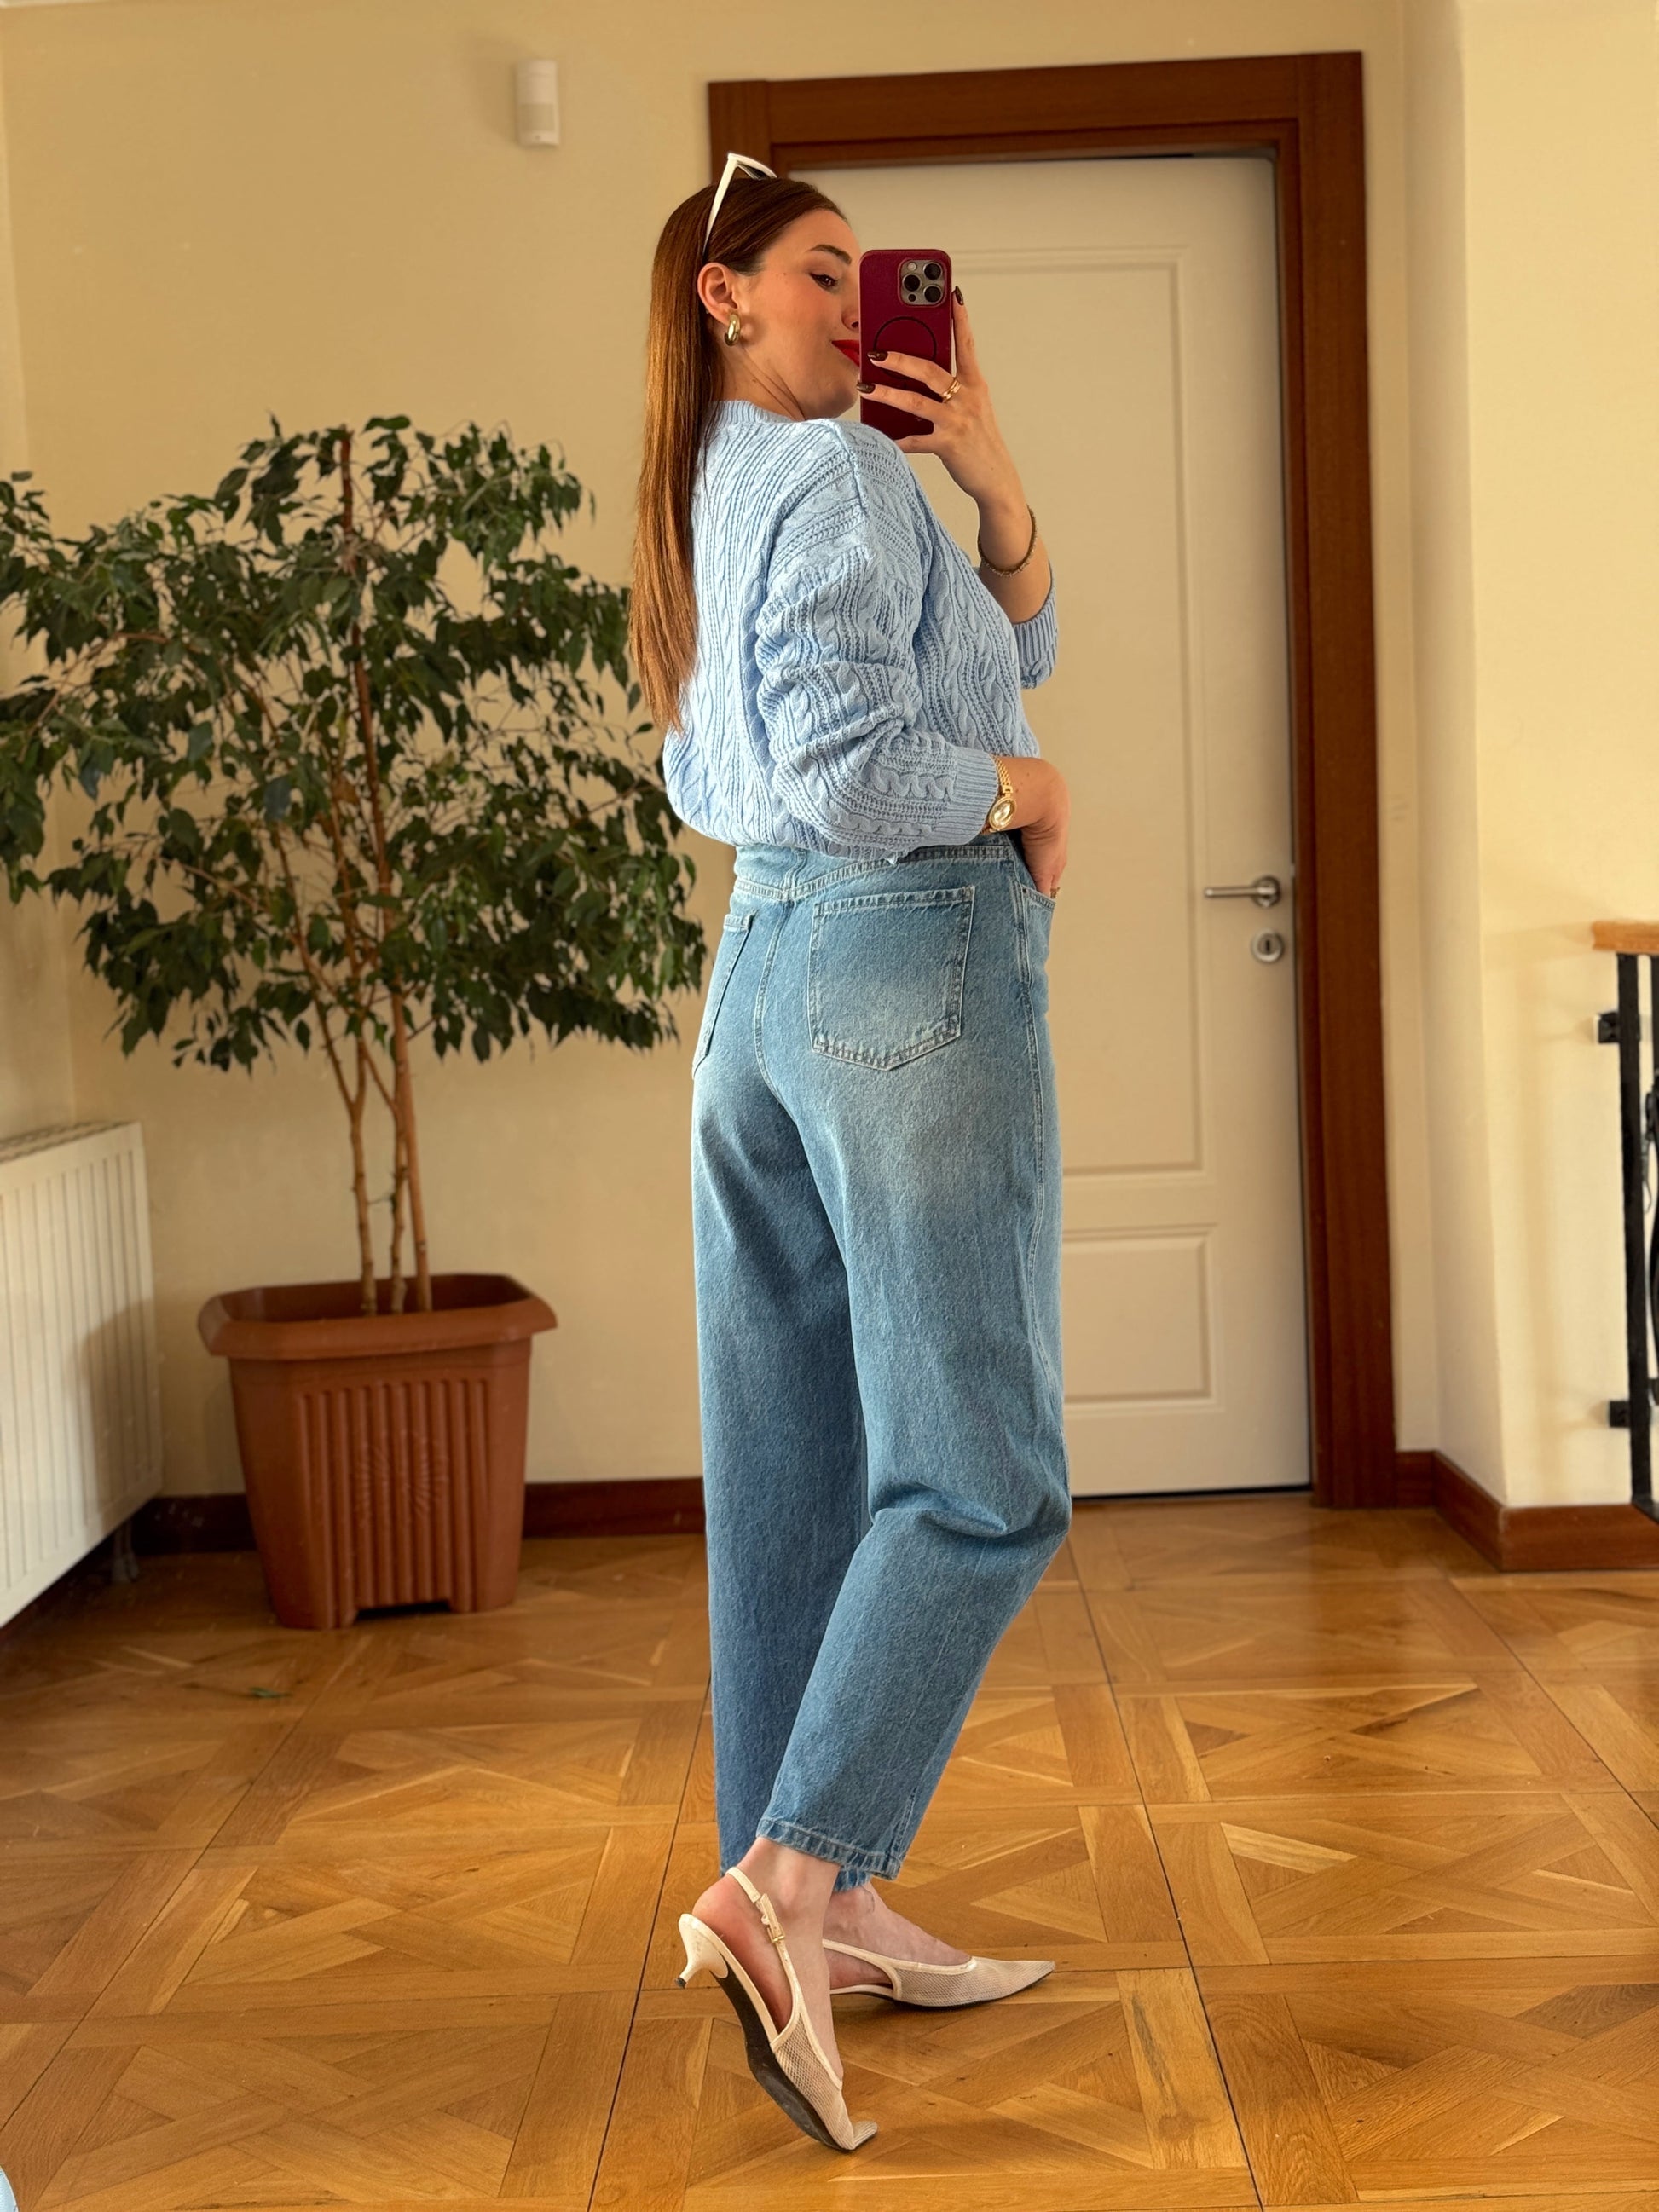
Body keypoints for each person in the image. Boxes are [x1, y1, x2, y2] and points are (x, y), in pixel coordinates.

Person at [629, 153, 1073, 2153]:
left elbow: (992, 654)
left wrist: (991, 481)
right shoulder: (820, 475)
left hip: (766, 973)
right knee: (982, 1469)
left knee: (795, 1463)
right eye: (819, 271)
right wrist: (1027, 793)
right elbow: (862, 759)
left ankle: (825, 1887)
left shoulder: (722, 481)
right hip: (902, 952)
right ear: (724, 294)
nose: (855, 299)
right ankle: (791, 1876)